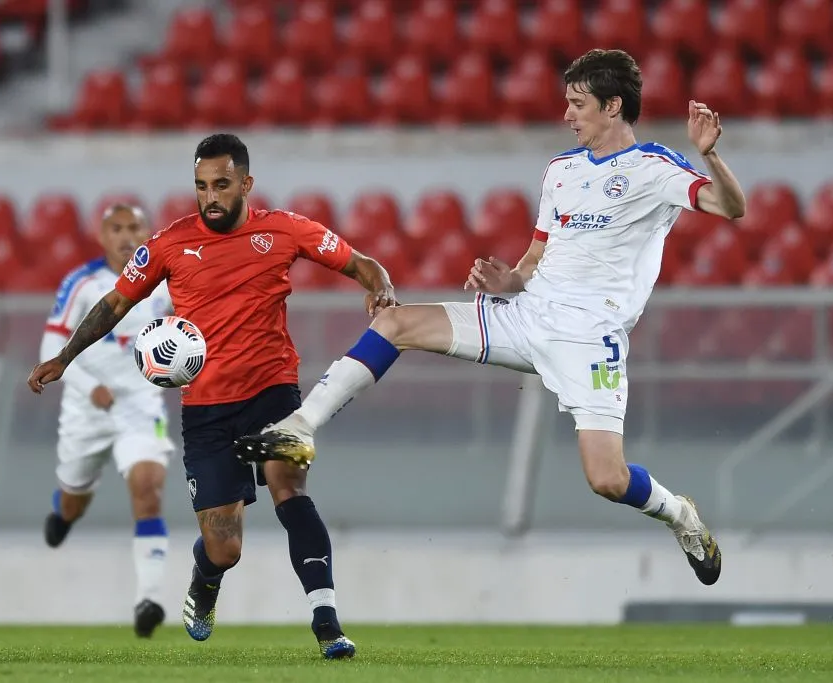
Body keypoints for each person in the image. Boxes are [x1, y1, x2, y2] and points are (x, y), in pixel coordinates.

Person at [234, 49, 747, 587]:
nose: (567, 115)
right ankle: (299, 428)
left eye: (578, 104)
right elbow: (535, 257)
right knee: (394, 323)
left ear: (614, 105)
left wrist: (710, 155)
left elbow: (730, 208)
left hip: (589, 339)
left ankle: (680, 515)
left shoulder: (654, 168)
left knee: (607, 479)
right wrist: (509, 280)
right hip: (525, 314)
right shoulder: (561, 171)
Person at [27, 133, 397, 659]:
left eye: (221, 185)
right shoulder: (170, 244)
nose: (211, 197)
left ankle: (327, 623)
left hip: (274, 393)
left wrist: (379, 288)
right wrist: (65, 357)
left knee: (289, 490)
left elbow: (362, 264)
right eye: (201, 186)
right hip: (206, 410)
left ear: (246, 183)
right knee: (226, 549)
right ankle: (205, 577)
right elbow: (114, 304)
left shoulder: (285, 230)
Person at [39, 203, 176, 638]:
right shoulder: (81, 283)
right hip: (87, 411)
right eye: (116, 228)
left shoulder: (166, 285)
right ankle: (65, 512)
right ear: (102, 236)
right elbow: (50, 347)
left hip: (141, 407)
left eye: (134, 227)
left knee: (148, 488)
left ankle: (148, 600)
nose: (126, 236)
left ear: (148, 231)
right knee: (75, 498)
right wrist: (87, 387)